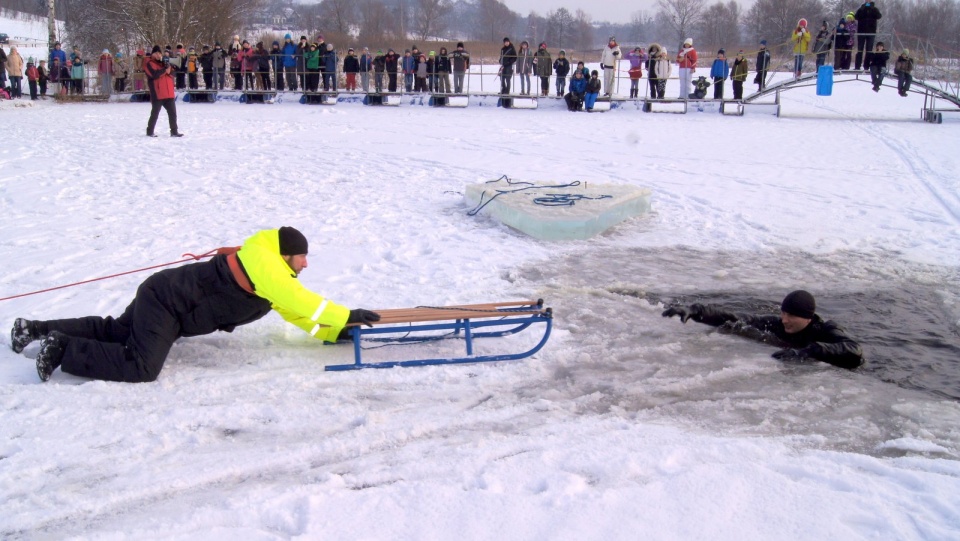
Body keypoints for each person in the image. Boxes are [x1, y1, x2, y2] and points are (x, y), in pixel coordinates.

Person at [11, 227, 382, 383]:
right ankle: (62, 349)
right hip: (168, 304)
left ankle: (36, 329)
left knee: (117, 331)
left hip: (164, 297)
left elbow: (294, 310)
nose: (305, 264)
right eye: (302, 257)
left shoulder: (272, 276)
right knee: (141, 366)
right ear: (286, 255)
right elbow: (303, 300)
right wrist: (346, 314)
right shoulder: (266, 264)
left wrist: (332, 332)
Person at [662, 290, 863, 369]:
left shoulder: (826, 330)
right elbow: (735, 318)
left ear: (808, 318)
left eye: (791, 315)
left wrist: (808, 351)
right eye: (783, 313)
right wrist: (696, 311)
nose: (784, 320)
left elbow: (854, 350)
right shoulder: (775, 324)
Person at [143, 45, 182, 138]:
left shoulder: (164, 63)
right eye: (156, 53)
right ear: (152, 54)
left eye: (159, 53)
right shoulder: (149, 63)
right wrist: (165, 70)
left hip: (169, 93)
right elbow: (154, 74)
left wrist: (168, 68)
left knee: (173, 114)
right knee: (155, 114)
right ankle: (150, 131)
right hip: (158, 93)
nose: (158, 55)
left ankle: (174, 131)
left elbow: (173, 74)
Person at [855, 1, 882, 71]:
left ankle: (866, 66)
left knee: (869, 50)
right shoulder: (861, 8)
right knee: (860, 50)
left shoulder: (874, 9)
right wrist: (862, 9)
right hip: (861, 32)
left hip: (871, 33)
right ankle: (857, 66)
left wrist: (873, 9)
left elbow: (879, 16)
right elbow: (856, 17)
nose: (867, 1)